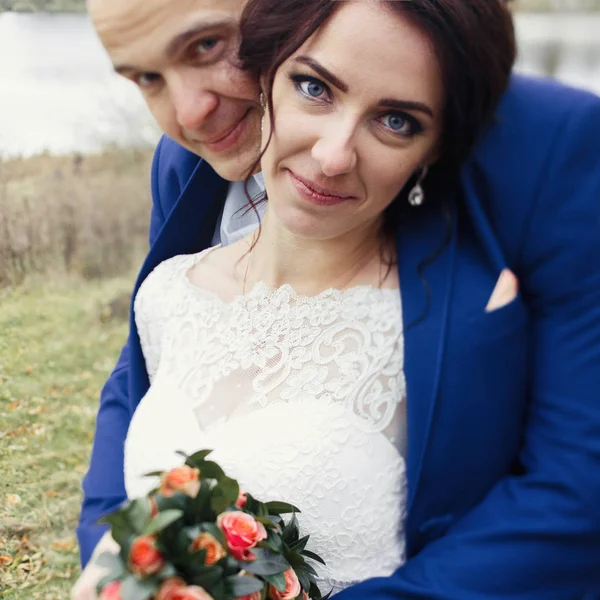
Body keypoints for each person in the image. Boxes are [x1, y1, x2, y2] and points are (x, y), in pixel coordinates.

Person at [74, 0, 600, 597]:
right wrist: (127, 569)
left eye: (207, 46)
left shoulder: (549, 148)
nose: (191, 113)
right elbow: (141, 373)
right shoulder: (189, 161)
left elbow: (577, 483)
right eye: (146, 77)